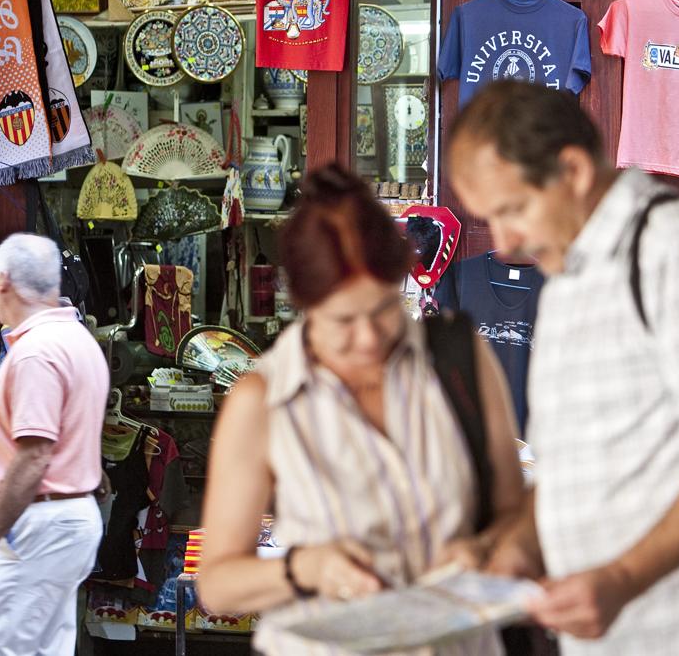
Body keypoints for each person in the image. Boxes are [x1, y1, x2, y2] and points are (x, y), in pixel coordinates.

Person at [444, 81, 679, 654]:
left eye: (513, 210)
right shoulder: (571, 280)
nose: (502, 243)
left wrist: (622, 578)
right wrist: (514, 546)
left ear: (572, 171)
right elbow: (576, 473)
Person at [197, 164, 526, 655]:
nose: (369, 337)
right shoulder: (264, 401)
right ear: (305, 305)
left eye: (382, 309)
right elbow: (218, 584)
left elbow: (517, 514)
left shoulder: (459, 359)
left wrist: (482, 551)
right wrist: (308, 568)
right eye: (344, 321)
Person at [0, 233, 110, 656]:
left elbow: (34, 457)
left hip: (38, 522)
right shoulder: (77, 340)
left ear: (1, 281)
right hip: (63, 519)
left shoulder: (37, 352)